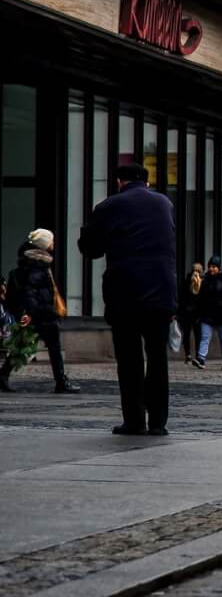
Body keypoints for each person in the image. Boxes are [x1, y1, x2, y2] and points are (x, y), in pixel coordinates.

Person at [80, 163, 176, 435]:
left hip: (125, 293)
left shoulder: (109, 206)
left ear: (120, 182)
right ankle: (158, 422)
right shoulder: (164, 204)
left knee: (129, 359)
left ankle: (134, 420)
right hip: (161, 291)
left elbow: (90, 248)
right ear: (146, 182)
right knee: (157, 357)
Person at [4, 229, 79, 394]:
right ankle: (61, 382)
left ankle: (3, 376)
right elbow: (30, 292)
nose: (53, 244)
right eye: (51, 241)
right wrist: (31, 313)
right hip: (41, 313)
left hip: (38, 312)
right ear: (45, 245)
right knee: (53, 348)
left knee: (22, 344)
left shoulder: (33, 263)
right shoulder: (38, 266)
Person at [194, 256, 222, 369]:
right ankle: (201, 359)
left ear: (219, 267)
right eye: (210, 266)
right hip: (207, 313)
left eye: (214, 266)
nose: (211, 269)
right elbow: (200, 297)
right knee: (205, 337)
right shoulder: (205, 280)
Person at [178, 262, 203, 368]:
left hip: (190, 312)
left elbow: (181, 296)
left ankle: (189, 355)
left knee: (189, 335)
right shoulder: (190, 280)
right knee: (196, 335)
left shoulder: (193, 280)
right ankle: (194, 355)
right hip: (192, 312)